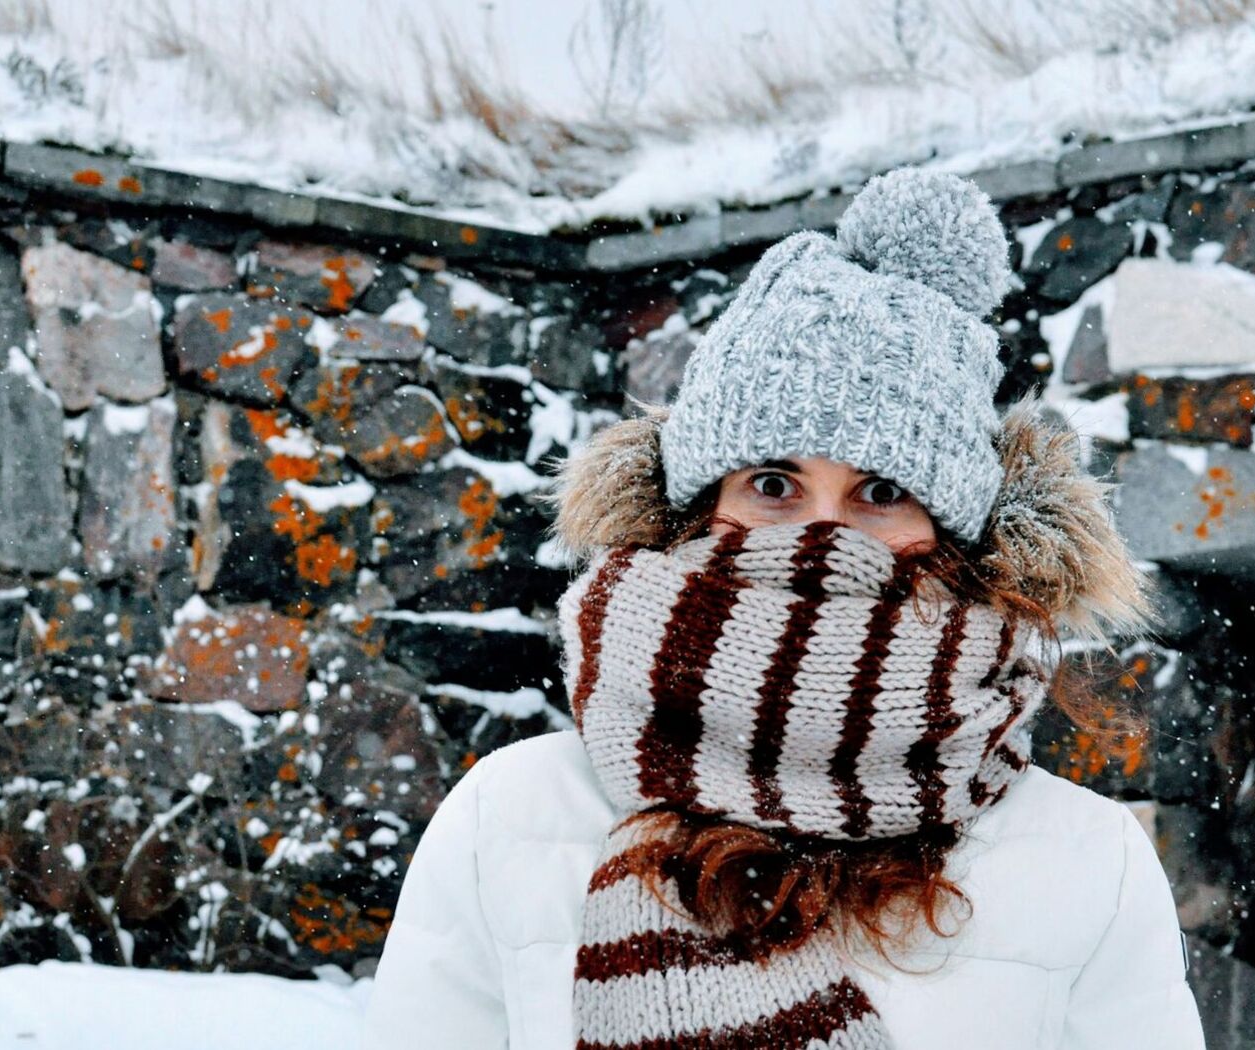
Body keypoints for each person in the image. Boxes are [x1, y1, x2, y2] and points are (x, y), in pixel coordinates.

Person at [365, 169, 1207, 1049]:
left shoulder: (1087, 862)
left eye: (881, 490)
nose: (820, 533)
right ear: (695, 507)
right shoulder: (511, 816)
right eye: (774, 483)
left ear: (954, 534)